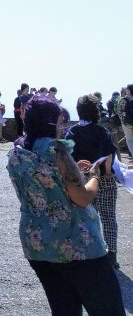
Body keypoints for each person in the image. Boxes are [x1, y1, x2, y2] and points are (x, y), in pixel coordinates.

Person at [6, 93, 123, 316]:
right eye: (60, 122)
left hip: (38, 245)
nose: (63, 127)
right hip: (77, 245)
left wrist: (73, 169)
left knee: (65, 311)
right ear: (49, 123)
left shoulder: (16, 152)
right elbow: (82, 197)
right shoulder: (58, 150)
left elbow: (44, 181)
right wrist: (94, 176)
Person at [65, 94, 119, 269]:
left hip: (82, 180)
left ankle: (90, 252)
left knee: (85, 217)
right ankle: (111, 254)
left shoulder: (72, 132)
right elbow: (109, 155)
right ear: (95, 111)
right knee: (108, 216)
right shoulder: (102, 131)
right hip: (102, 178)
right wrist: (109, 173)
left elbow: (66, 157)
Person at [122, 85, 133, 160]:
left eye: (127, 88)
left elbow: (119, 111)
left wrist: (123, 121)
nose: (125, 89)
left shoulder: (123, 99)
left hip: (127, 123)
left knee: (129, 141)